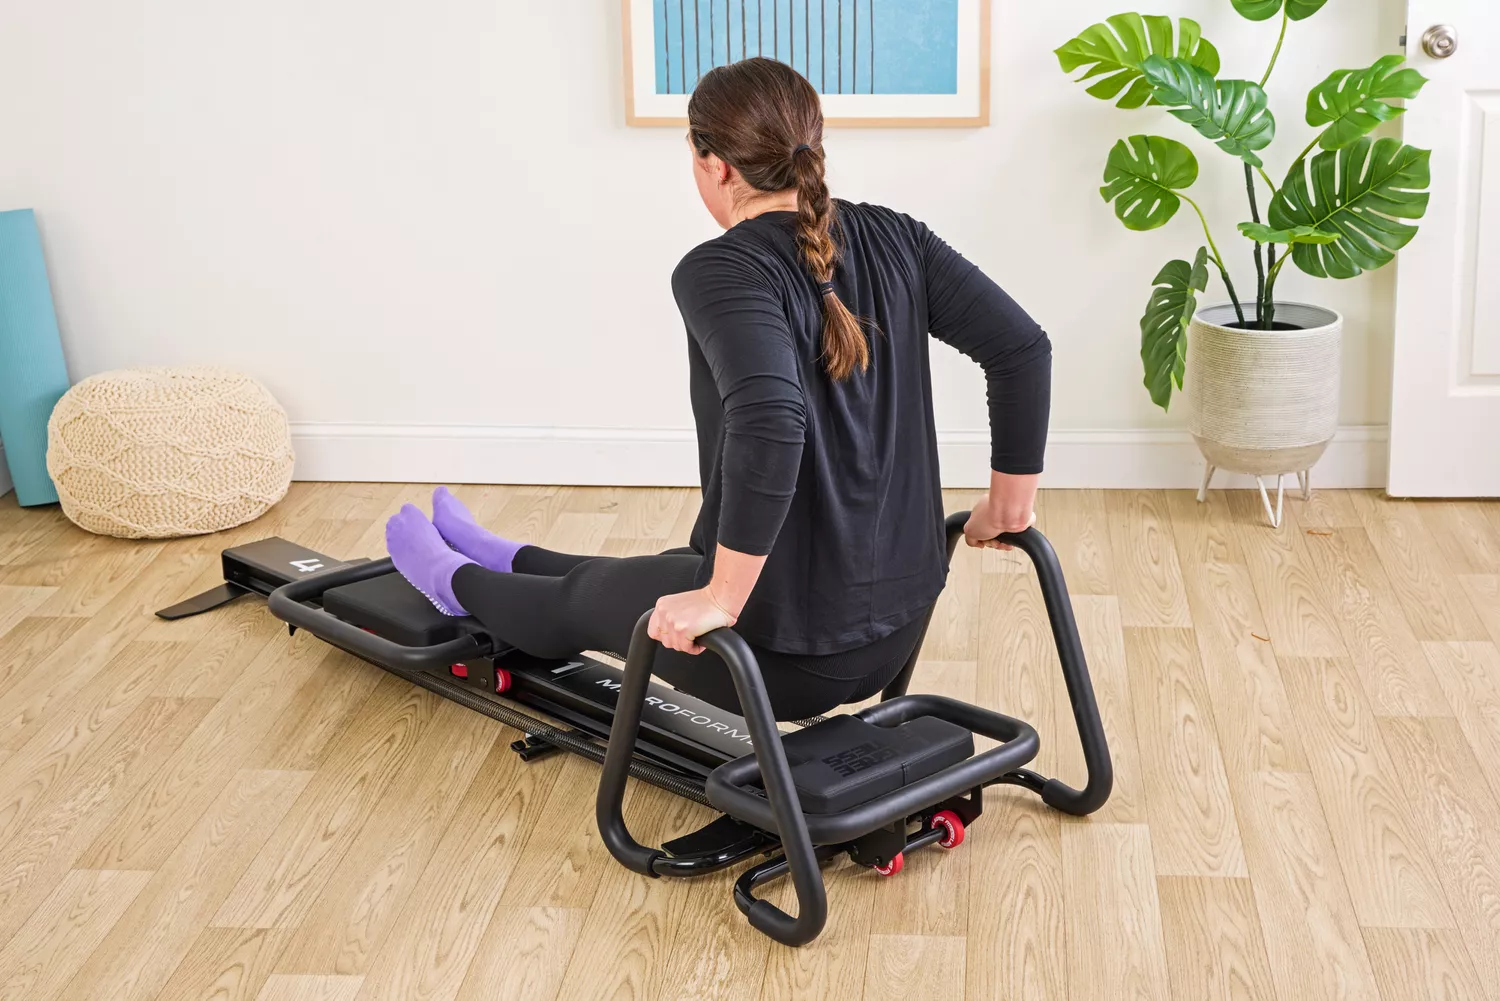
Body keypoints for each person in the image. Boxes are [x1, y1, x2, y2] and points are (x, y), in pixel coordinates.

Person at [384, 57, 1050, 721]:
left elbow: (772, 419)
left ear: (716, 165)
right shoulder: (897, 236)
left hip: (780, 660)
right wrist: (1008, 509)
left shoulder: (721, 269)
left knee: (581, 603)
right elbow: (1022, 348)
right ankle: (504, 554)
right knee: (666, 564)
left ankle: (450, 581)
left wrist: (722, 600)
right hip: (901, 628)